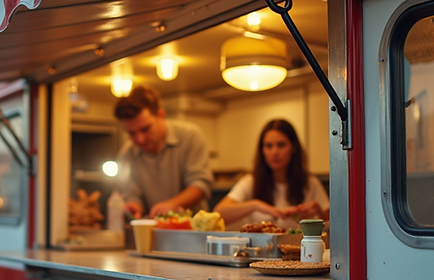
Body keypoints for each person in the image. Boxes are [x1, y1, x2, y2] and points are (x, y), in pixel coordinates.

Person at [113, 84, 213, 219]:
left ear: (161, 115)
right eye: (131, 133)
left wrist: (172, 204)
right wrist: (133, 205)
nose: (140, 139)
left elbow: (201, 185)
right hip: (153, 232)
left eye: (145, 129)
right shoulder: (126, 154)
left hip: (193, 230)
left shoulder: (190, 135)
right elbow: (131, 193)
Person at [214, 119, 330, 231]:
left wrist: (320, 215)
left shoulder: (310, 183)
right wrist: (256, 205)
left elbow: (334, 224)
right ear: (262, 150)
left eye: (281, 145)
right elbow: (219, 214)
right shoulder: (250, 181)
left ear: (294, 147)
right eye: (268, 146)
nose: (274, 152)